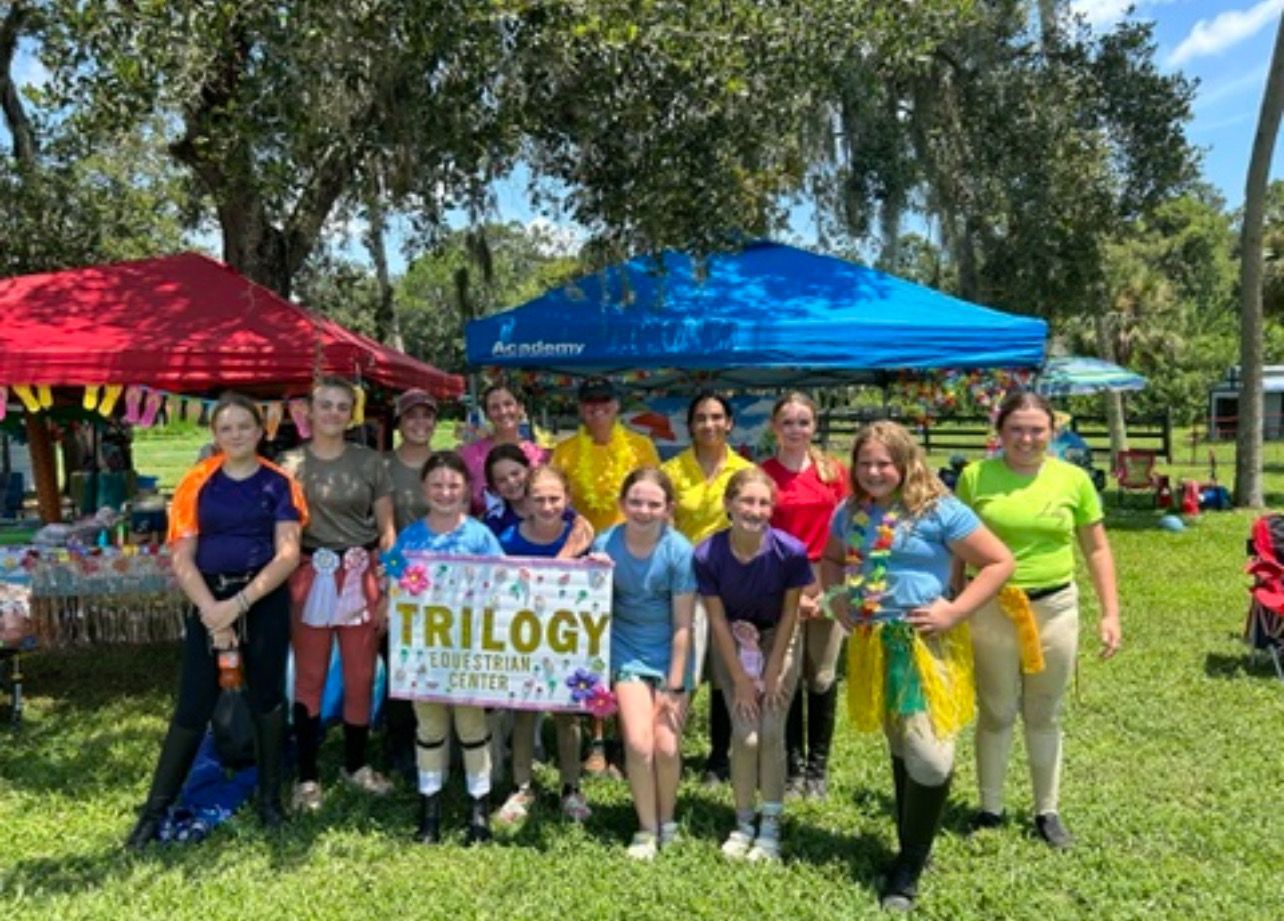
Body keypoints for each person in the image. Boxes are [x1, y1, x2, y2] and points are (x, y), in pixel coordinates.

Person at [822, 421, 1013, 911]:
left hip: (923, 646)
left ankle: (909, 861)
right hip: (873, 644)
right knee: (902, 745)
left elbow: (998, 562)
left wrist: (954, 610)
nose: (874, 471)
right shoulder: (850, 512)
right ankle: (911, 849)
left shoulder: (939, 511)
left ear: (906, 463)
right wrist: (836, 596)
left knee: (929, 756)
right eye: (865, 463)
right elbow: (831, 558)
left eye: (884, 462)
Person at [126, 394, 306, 849]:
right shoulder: (195, 483)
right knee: (193, 704)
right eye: (226, 429)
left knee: (267, 700)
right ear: (215, 435)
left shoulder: (280, 483)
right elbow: (182, 557)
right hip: (208, 598)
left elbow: (288, 554)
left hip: (260, 600)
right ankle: (153, 813)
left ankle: (270, 801)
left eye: (244, 426)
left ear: (260, 429)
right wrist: (212, 611)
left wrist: (239, 604)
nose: (236, 435)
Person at [954, 391, 1122, 851]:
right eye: (1016, 429)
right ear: (1000, 432)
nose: (1026, 439)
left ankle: (1047, 811)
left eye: (1036, 430)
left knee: (1044, 713)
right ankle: (990, 808)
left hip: (1054, 609)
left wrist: (1111, 612)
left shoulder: (1074, 479)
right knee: (996, 710)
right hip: (991, 607)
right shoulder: (975, 477)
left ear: (1053, 431)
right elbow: (958, 543)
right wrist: (955, 599)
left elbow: (1097, 548)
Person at [279, 377, 396, 813]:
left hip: (361, 575)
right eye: (324, 405)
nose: (332, 413)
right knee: (308, 676)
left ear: (352, 413)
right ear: (309, 410)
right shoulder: (289, 463)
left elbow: (387, 531)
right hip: (311, 575)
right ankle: (307, 775)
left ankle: (356, 763)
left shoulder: (369, 462)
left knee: (361, 674)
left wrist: (389, 586)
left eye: (342, 406)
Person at [695, 468, 812, 863]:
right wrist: (743, 680)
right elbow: (714, 620)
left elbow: (791, 616)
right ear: (729, 503)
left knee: (772, 730)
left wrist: (773, 670)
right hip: (731, 642)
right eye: (747, 500)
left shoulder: (790, 552)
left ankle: (771, 825)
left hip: (777, 637)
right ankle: (743, 821)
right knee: (745, 736)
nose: (755, 510)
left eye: (764, 503)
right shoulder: (707, 554)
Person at [387, 451, 504, 844]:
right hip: (424, 651)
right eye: (437, 485)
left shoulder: (480, 535)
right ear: (424, 489)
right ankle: (430, 809)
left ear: (467, 490)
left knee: (472, 726)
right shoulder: (411, 536)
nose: (445, 492)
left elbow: (503, 584)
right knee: (431, 726)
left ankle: (478, 810)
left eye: (453, 485)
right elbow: (392, 582)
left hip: (469, 650)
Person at [552, 376, 660, 774]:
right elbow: (556, 504)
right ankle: (596, 741)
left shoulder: (640, 447)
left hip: (632, 559)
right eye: (589, 403)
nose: (597, 410)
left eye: (605, 403)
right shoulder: (564, 452)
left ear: (617, 407)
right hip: (584, 564)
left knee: (626, 647)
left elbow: (653, 499)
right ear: (580, 409)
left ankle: (625, 737)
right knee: (592, 649)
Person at [592, 468, 696, 860]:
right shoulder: (606, 543)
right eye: (635, 501)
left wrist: (673, 685)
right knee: (638, 743)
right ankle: (645, 827)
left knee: (667, 746)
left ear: (668, 508)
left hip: (672, 649)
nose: (643, 510)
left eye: (654, 504)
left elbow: (683, 624)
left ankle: (667, 820)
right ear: (622, 504)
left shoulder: (679, 551)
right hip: (626, 648)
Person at [661, 391, 754, 786]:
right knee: (686, 671)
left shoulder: (745, 471)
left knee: (728, 673)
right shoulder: (672, 470)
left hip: (736, 586)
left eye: (717, 417)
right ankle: (669, 748)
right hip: (688, 587)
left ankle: (719, 757)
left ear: (729, 423)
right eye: (701, 418)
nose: (709, 425)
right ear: (690, 424)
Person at [493, 465, 594, 827]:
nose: (548, 506)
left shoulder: (583, 537)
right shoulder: (508, 538)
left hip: (568, 641)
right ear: (527, 501)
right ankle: (522, 785)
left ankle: (571, 786)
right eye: (539, 499)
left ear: (567, 499)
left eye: (555, 498)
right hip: (522, 640)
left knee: (566, 713)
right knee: (523, 711)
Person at [761, 391, 849, 798]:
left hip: (830, 575)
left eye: (803, 422)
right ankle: (794, 768)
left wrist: (832, 588)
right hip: (783, 580)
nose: (795, 430)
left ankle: (819, 767)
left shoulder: (834, 472)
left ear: (814, 426)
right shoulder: (764, 475)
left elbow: (854, 524)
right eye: (787, 422)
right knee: (789, 674)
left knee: (823, 674)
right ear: (774, 427)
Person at [383, 389, 440, 781]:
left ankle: (437, 744)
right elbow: (385, 536)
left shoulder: (444, 464)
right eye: (412, 416)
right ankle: (398, 746)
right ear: (400, 422)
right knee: (399, 667)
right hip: (400, 580)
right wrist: (400, 582)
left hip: (445, 585)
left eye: (427, 416)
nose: (419, 423)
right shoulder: (384, 467)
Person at [481, 443, 593, 555]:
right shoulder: (495, 521)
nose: (511, 482)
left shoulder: (563, 512)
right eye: (502, 480)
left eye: (515, 473)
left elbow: (583, 530)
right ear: (494, 487)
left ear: (528, 470)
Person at [459, 384, 549, 515]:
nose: (503, 411)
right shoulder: (470, 455)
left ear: (520, 408)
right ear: (487, 414)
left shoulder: (540, 456)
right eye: (495, 407)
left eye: (508, 404)